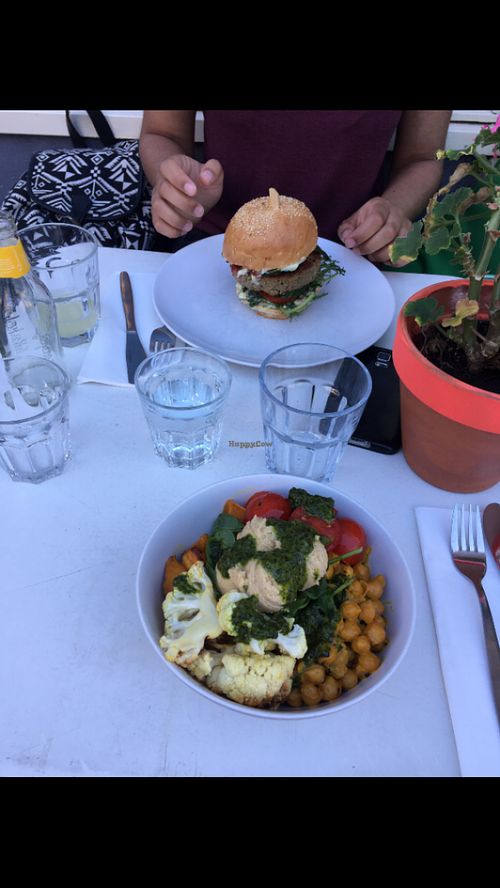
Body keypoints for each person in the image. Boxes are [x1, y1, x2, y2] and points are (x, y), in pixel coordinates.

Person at [139, 110, 452, 265]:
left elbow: (423, 157)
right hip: (216, 251)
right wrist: (183, 189)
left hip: (350, 260)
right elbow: (161, 133)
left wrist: (393, 209)